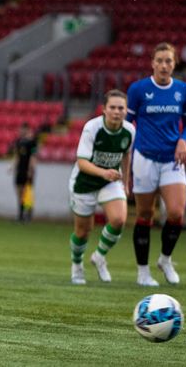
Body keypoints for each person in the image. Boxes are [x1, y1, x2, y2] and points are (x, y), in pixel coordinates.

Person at [126, 42, 186, 287]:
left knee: (176, 213)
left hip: (171, 160)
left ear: (175, 63)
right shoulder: (138, 89)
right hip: (144, 158)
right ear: (152, 63)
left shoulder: (184, 90)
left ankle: (165, 259)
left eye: (169, 61)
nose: (164, 65)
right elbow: (128, 122)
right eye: (160, 61)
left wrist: (183, 141)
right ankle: (142, 272)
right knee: (145, 214)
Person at [69, 90, 135, 285]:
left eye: (120, 108)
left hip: (110, 181)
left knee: (118, 220)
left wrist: (125, 181)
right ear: (104, 109)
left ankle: (99, 256)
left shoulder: (130, 130)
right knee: (83, 231)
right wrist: (103, 172)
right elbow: (81, 162)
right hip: (84, 182)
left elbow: (126, 155)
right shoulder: (92, 128)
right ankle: (77, 265)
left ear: (126, 110)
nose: (116, 112)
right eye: (112, 107)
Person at [9, 122, 37, 222]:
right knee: (19, 192)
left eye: (23, 129)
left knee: (27, 192)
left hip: (27, 170)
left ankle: (28, 215)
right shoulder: (18, 142)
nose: (21, 131)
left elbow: (33, 157)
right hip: (19, 170)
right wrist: (12, 167)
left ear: (27, 130)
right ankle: (20, 215)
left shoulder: (32, 142)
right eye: (20, 129)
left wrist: (31, 170)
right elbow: (17, 156)